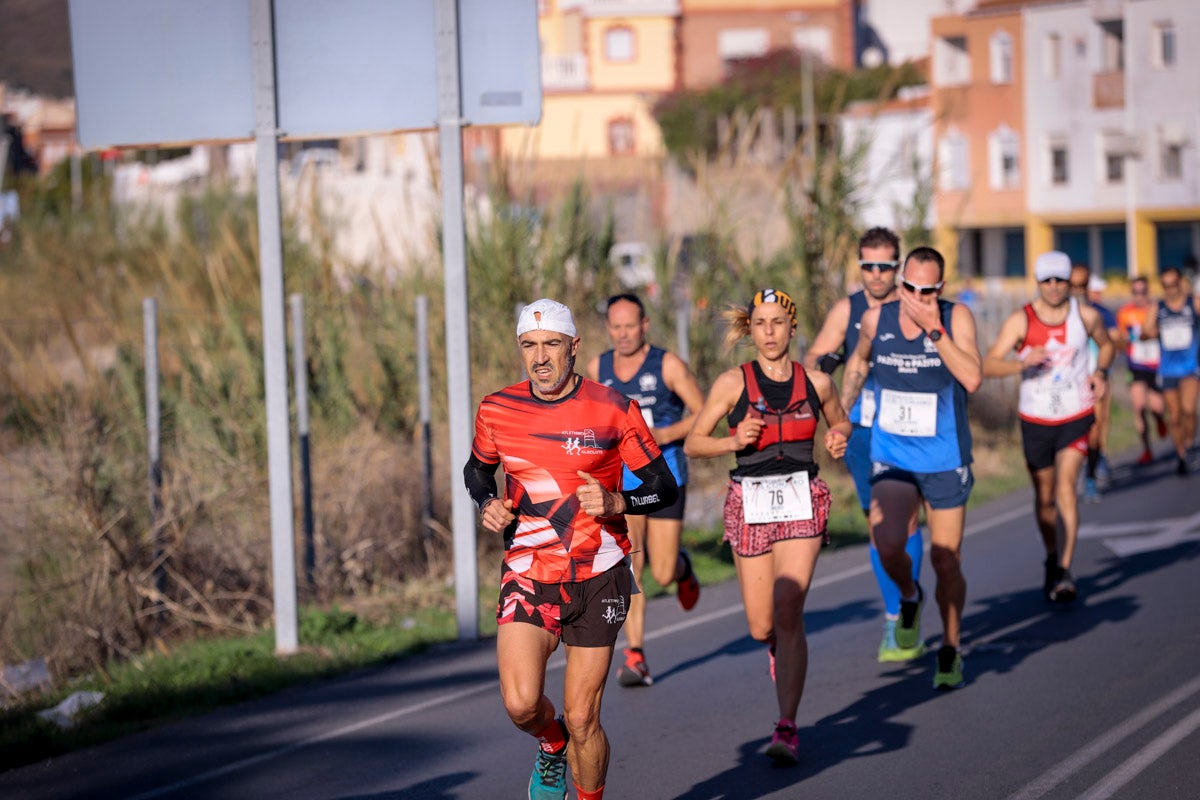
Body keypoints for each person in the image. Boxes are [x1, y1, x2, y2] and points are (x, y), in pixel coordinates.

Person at [463, 299, 679, 800]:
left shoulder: (614, 407)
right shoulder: (497, 408)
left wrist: (616, 499)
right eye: (529, 345)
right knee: (521, 703)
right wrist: (486, 501)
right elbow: (478, 470)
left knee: (584, 715)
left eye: (551, 345)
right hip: (529, 570)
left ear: (574, 347)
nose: (539, 358)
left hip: (598, 569)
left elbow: (664, 486)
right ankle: (550, 741)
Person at [684, 288, 850, 764]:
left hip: (802, 499)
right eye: (761, 323)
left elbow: (842, 423)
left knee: (789, 606)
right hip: (750, 501)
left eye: (778, 322)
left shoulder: (817, 384)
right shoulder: (731, 384)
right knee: (762, 625)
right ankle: (774, 644)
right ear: (750, 330)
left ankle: (787, 725)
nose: (770, 331)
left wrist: (838, 438)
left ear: (792, 328)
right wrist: (732, 440)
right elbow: (695, 442)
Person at [841, 246, 982, 690]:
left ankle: (951, 646)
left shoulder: (954, 318)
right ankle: (908, 596)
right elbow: (859, 362)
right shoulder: (875, 319)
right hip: (894, 454)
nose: (918, 297)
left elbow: (973, 378)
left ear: (940, 288)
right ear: (899, 283)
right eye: (910, 288)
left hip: (943, 457)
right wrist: (843, 416)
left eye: (928, 290)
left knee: (945, 559)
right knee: (887, 543)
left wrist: (934, 330)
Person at [804, 227, 926, 663]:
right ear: (860, 267)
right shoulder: (848, 309)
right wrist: (828, 361)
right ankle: (896, 614)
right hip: (862, 428)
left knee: (906, 522)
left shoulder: (913, 304)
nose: (876, 274)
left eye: (885, 266)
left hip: (910, 426)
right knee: (879, 523)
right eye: (868, 266)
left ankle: (904, 607)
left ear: (897, 267)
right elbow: (811, 362)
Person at [586, 293, 706, 688]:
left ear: (645, 325)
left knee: (665, 571)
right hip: (622, 483)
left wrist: (661, 435)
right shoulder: (597, 368)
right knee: (631, 563)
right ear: (609, 328)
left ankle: (683, 568)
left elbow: (705, 412)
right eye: (615, 327)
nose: (623, 334)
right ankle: (635, 654)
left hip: (665, 477)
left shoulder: (667, 364)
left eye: (630, 326)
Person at [983, 252, 1114, 605]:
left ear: (1069, 282)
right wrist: (1020, 362)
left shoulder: (1084, 316)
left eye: (1060, 280)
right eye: (1047, 281)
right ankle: (1052, 555)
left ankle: (1065, 571)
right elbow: (988, 365)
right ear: (1038, 282)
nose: (1054, 287)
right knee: (1044, 497)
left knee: (1065, 490)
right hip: (1036, 418)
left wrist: (1100, 373)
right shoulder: (1020, 320)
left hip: (1075, 414)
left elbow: (1107, 346)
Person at [1140, 266, 1200, 476]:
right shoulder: (1159, 308)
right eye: (1165, 286)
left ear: (1180, 283)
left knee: (1189, 410)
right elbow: (1145, 331)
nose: (1170, 290)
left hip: (1191, 367)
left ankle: (1190, 439)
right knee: (1174, 417)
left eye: (1173, 285)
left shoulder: (1193, 303)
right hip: (1167, 369)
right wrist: (1153, 332)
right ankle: (1181, 453)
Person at [1070, 266, 1120, 501]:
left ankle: (1090, 475)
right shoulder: (1060, 315)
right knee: (1073, 432)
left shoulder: (1097, 314)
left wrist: (1101, 370)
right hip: (1069, 382)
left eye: (1082, 285)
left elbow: (1111, 343)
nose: (1077, 290)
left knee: (1096, 429)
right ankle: (1078, 470)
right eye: (1074, 285)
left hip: (1095, 377)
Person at [1116, 276, 1168, 466]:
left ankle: (1160, 419)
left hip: (1156, 365)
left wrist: (1153, 334)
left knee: (1156, 407)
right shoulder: (1124, 313)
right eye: (1135, 292)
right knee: (1138, 407)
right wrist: (1122, 341)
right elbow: (1120, 339)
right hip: (1135, 365)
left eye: (1143, 292)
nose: (1139, 296)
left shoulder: (1157, 310)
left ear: (1148, 292)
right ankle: (1146, 449)